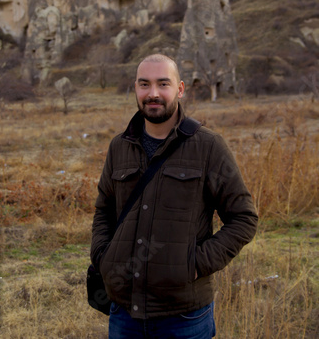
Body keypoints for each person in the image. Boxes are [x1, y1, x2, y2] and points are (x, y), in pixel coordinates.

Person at [91, 54, 258, 339]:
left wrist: (194, 264)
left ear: (180, 89)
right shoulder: (119, 146)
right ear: (135, 88)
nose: (153, 93)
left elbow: (243, 218)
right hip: (124, 313)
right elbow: (104, 209)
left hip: (184, 317)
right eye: (144, 84)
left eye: (162, 84)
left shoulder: (208, 146)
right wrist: (103, 257)